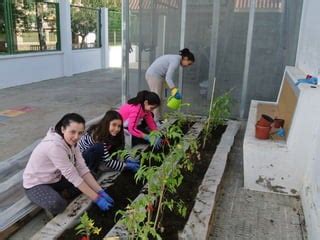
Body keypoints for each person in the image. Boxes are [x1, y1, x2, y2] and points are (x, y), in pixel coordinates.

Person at [23, 113, 114, 217]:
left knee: (92, 175)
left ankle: (63, 193)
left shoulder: (71, 143)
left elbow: (82, 168)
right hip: (37, 183)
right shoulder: (54, 146)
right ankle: (58, 195)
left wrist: (100, 191)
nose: (76, 137)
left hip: (55, 178)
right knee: (57, 204)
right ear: (63, 129)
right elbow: (73, 176)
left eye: (80, 133)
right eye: (72, 132)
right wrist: (96, 198)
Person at [78, 110, 140, 174]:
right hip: (83, 157)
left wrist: (128, 158)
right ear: (107, 123)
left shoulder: (112, 133)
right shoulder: (97, 135)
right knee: (100, 148)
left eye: (119, 126)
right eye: (114, 125)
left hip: (99, 151)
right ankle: (92, 170)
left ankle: (102, 163)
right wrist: (126, 166)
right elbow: (108, 162)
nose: (116, 129)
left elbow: (121, 148)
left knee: (116, 142)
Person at [145, 48, 195, 120]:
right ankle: (154, 121)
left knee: (160, 99)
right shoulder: (175, 61)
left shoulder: (175, 58)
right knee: (156, 100)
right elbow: (168, 78)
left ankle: (158, 118)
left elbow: (166, 76)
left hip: (157, 76)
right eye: (189, 63)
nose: (187, 66)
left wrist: (170, 88)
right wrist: (174, 90)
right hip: (153, 75)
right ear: (186, 58)